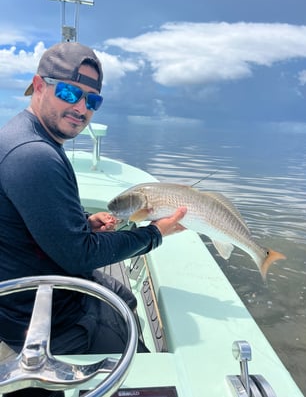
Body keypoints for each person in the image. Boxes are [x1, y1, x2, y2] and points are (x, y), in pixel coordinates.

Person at [0, 42, 186, 397]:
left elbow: (29, 220)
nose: (81, 107)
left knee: (122, 295)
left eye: (93, 100)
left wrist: (84, 221)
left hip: (38, 286)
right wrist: (155, 234)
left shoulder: (25, 136)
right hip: (51, 320)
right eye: (70, 92)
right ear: (39, 86)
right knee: (148, 380)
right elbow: (79, 256)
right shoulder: (34, 155)